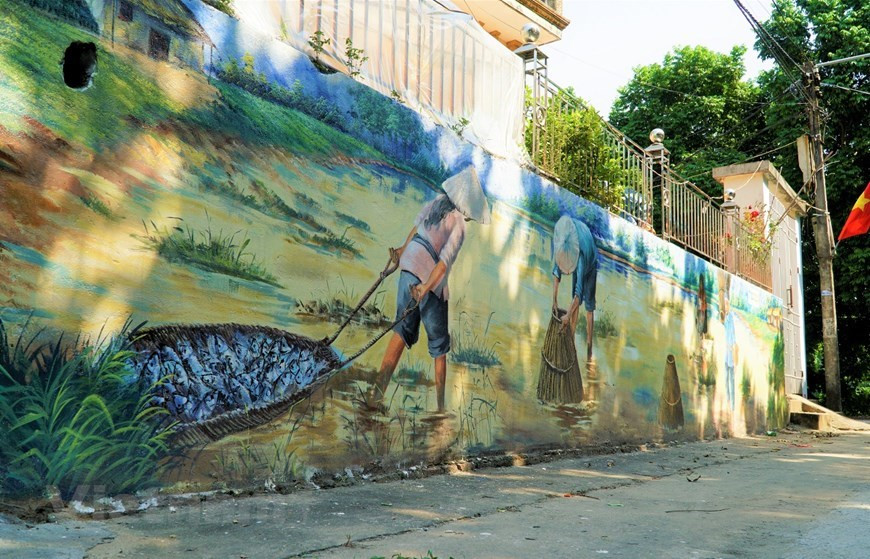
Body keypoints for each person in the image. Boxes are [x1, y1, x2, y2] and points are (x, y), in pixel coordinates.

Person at [374, 166, 490, 412]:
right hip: (428, 278)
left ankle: (376, 394)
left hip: (409, 266)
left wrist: (402, 252)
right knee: (439, 347)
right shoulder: (459, 223)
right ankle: (439, 408)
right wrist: (426, 287)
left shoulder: (438, 202)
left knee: (400, 331)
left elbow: (417, 230)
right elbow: (443, 263)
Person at [551, 215, 598, 363]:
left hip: (591, 263)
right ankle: (571, 341)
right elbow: (557, 272)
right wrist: (554, 300)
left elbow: (579, 293)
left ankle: (589, 349)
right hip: (579, 250)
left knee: (588, 308)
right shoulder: (563, 243)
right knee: (573, 303)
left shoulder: (582, 257)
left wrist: (567, 315)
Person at [723, 290, 738, 411]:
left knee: (731, 381)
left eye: (726, 304)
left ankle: (732, 406)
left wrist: (734, 354)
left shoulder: (731, 317)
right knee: (726, 380)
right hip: (725, 353)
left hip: (731, 354)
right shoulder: (726, 317)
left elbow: (733, 337)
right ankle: (728, 405)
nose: (725, 306)